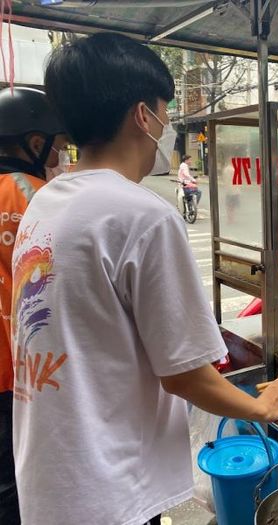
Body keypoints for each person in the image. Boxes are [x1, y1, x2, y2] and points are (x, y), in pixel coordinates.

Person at [11, 32, 278, 525]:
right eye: (165, 111)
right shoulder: (139, 214)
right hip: (106, 488)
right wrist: (263, 405)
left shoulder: (49, 200)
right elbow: (184, 374)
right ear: (142, 116)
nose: (168, 126)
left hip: (52, 477)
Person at [0, 86, 68, 525]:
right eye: (58, 146)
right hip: (28, 368)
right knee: (26, 478)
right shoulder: (39, 197)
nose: (59, 156)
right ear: (35, 142)